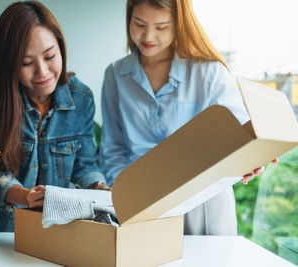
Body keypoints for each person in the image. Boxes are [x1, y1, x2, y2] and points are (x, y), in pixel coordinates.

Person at [99, 0, 266, 235]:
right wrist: (127, 193)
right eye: (139, 24)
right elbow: (112, 147)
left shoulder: (209, 71)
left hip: (203, 204)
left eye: (161, 27)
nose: (148, 36)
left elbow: (238, 134)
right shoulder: (116, 75)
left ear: (179, 24)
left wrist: (249, 159)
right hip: (140, 204)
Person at [0, 1, 109, 232]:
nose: (42, 72)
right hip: (0, 231)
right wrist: (21, 195)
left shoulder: (81, 97)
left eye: (50, 56)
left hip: (56, 230)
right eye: (26, 63)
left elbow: (84, 164)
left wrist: (98, 186)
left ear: (61, 48)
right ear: (7, 64)